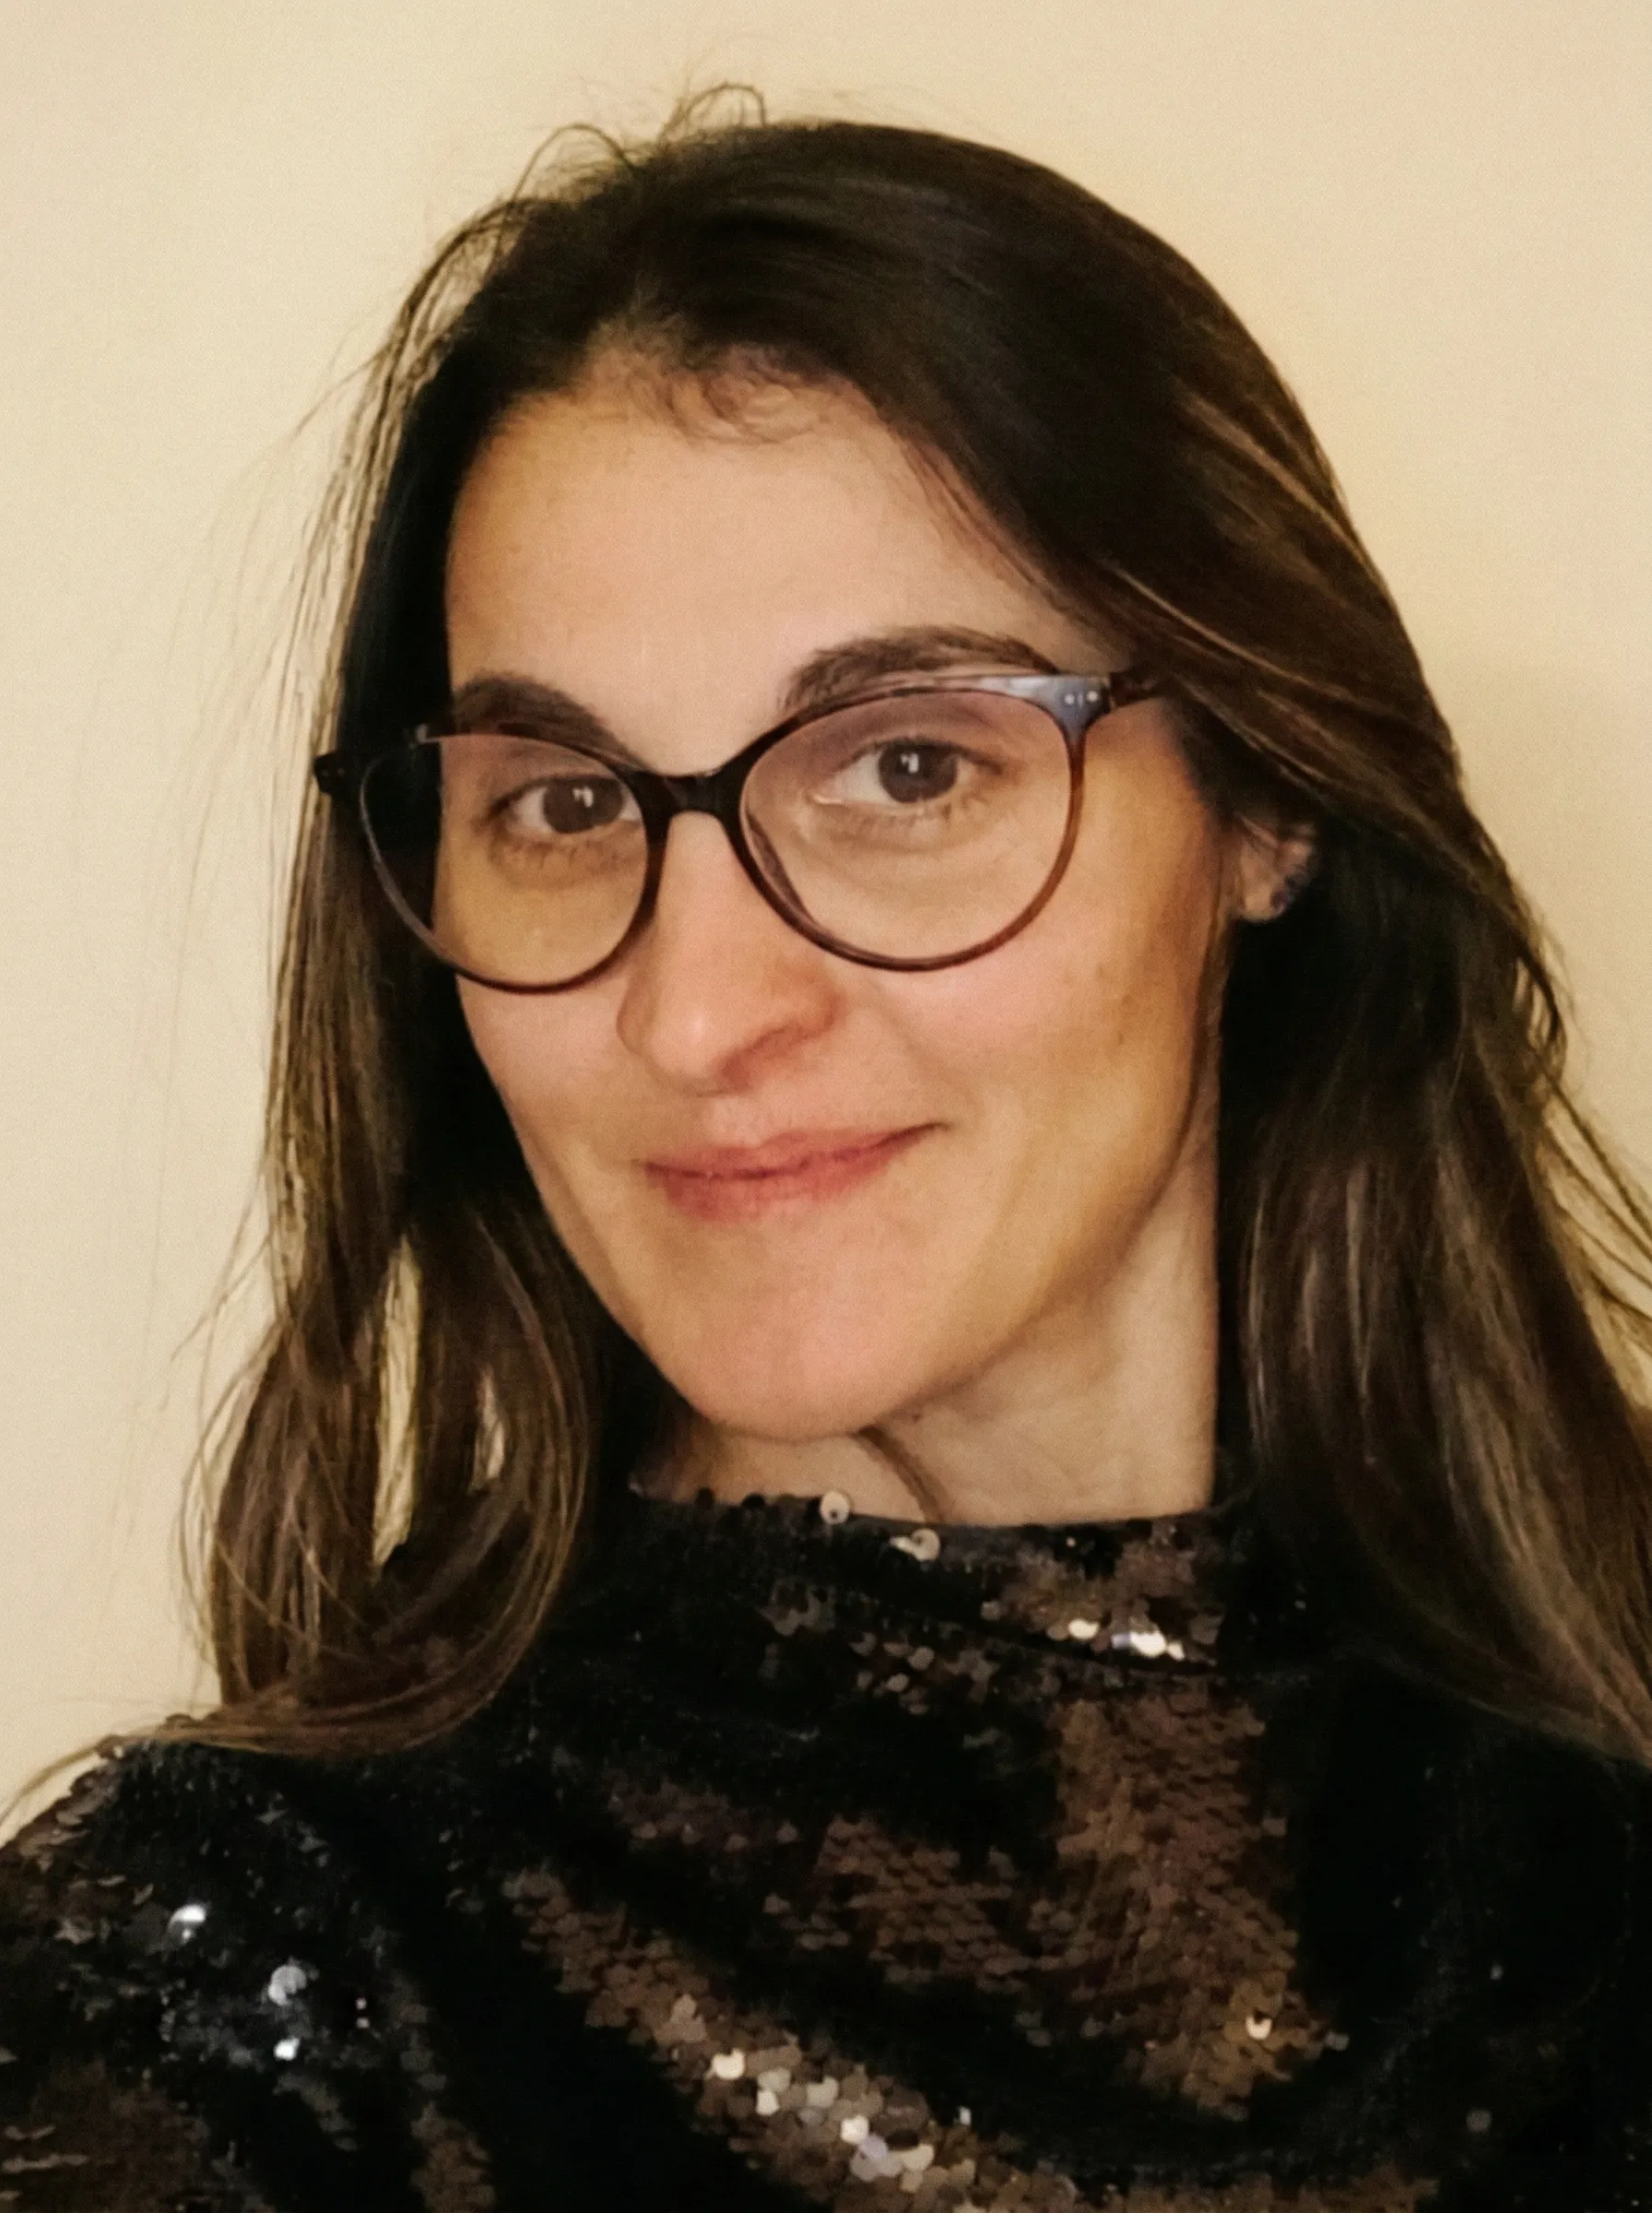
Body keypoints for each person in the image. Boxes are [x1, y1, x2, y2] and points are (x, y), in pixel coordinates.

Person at [3, 92, 1651, 2211]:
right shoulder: (217, 2004)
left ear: (1268, 800)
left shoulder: (1592, 1834)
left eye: (906, 768)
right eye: (563, 805)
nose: (694, 1016)